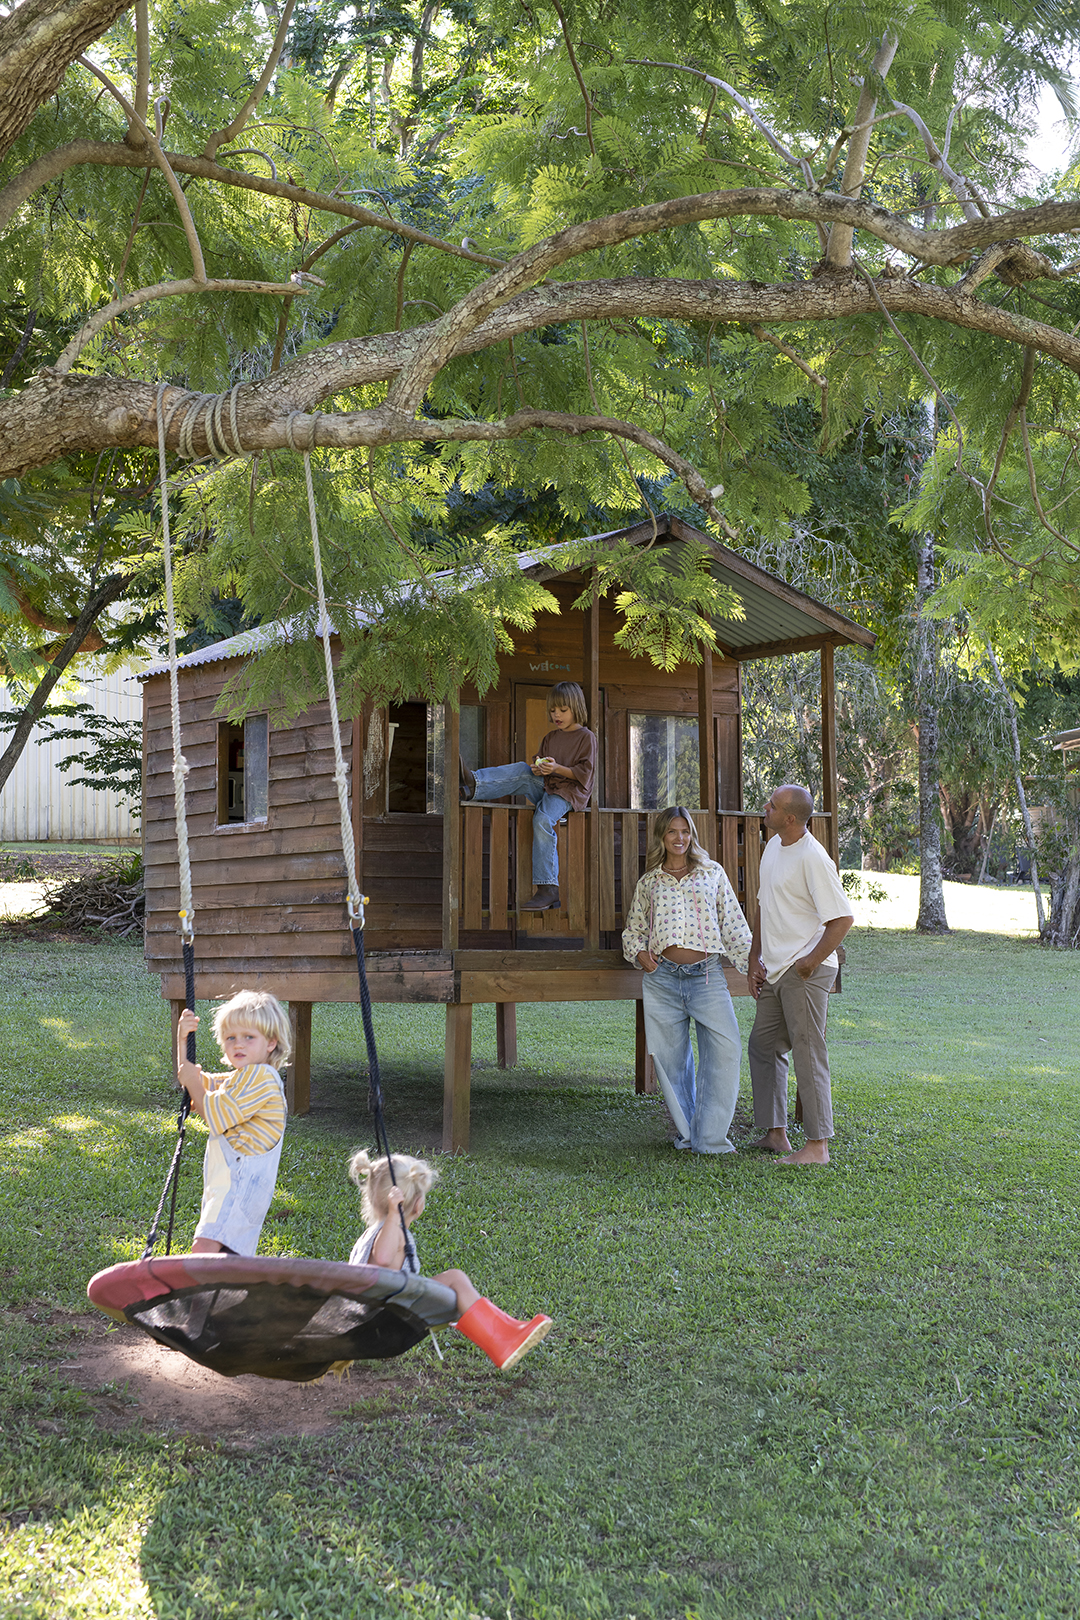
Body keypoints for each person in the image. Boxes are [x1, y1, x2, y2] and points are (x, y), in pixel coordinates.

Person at [347, 1149, 552, 1372]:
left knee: (455, 1281)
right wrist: (395, 1217)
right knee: (455, 1278)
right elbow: (384, 1258)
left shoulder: (372, 1233)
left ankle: (508, 1328)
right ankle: (501, 1339)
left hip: (374, 1316)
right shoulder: (392, 1231)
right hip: (383, 1321)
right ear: (418, 1204)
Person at [622, 807, 752, 1155]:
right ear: (662, 838)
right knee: (671, 1060)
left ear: (691, 834)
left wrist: (753, 967)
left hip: (706, 976)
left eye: (685, 831)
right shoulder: (650, 881)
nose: (679, 838)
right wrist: (641, 956)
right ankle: (689, 1135)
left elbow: (734, 924)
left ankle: (711, 1139)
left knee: (726, 1050)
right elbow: (633, 931)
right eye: (672, 833)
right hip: (661, 978)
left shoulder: (712, 873)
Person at [747, 784, 854, 1167]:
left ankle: (817, 1146)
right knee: (763, 1045)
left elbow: (842, 919)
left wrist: (810, 962)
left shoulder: (813, 858)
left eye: (771, 805)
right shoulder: (773, 846)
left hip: (805, 972)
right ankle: (776, 1133)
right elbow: (764, 904)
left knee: (808, 1052)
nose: (765, 807)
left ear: (789, 817)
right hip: (775, 969)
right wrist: (754, 956)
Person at [460, 680, 596, 911]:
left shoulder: (586, 737)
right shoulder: (551, 737)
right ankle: (474, 783)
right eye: (553, 710)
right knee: (522, 770)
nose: (557, 715)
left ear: (576, 708)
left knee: (543, 819)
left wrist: (556, 769)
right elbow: (539, 761)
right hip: (548, 785)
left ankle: (548, 888)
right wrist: (537, 768)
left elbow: (584, 774)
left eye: (563, 710)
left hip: (568, 793)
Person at [176, 989, 291, 1254]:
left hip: (240, 1185)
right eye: (231, 1038)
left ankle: (194, 1296)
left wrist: (194, 1082)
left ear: (271, 1042)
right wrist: (182, 1040)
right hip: (231, 1185)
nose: (238, 1044)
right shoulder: (239, 1080)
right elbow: (190, 1085)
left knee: (204, 1248)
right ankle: (220, 1296)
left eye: (248, 1037)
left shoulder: (261, 1078)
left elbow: (214, 1115)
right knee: (223, 1258)